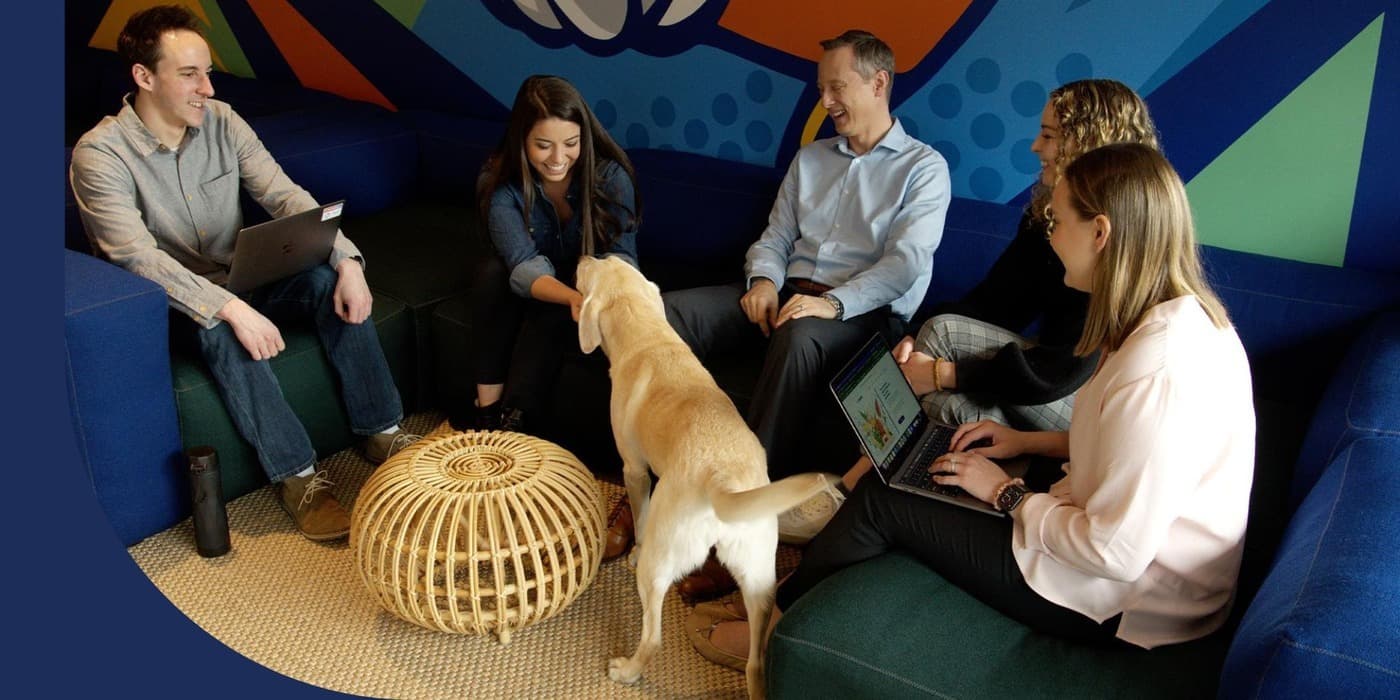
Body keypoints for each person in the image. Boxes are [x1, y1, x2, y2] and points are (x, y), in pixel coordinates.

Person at [688, 142, 1256, 668]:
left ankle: (770, 634)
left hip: (1127, 604)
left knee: (887, 498)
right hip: (1133, 567)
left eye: (1058, 222)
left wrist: (1005, 493)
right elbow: (1127, 451)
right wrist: (1026, 442)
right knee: (922, 465)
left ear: (1101, 232)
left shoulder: (1156, 369)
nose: (1051, 236)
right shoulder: (1178, 318)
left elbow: (1115, 554)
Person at [69, 5, 420, 542]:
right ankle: (298, 478)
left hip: (241, 277)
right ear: (143, 76)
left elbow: (284, 197)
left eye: (206, 72)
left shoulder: (224, 120)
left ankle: (382, 432)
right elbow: (136, 257)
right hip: (172, 301)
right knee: (221, 328)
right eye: (188, 74)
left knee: (328, 284)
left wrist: (346, 259)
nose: (206, 87)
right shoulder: (100, 154)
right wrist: (231, 308)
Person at [628, 30, 950, 588]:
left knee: (799, 338)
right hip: (785, 295)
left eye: (837, 88)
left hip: (859, 314)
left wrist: (832, 305)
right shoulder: (811, 158)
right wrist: (761, 281)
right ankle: (652, 483)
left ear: (879, 83)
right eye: (822, 89)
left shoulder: (924, 169)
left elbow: (903, 266)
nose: (825, 103)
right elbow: (775, 236)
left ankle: (735, 530)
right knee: (664, 316)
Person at [778, 79, 1163, 543]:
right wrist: (913, 338)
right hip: (1048, 380)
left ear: (1088, 142)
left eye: (1050, 134)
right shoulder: (1049, 216)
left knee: (943, 347)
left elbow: (1060, 371)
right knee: (951, 405)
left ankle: (848, 486)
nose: (1035, 145)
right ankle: (895, 500)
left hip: (1086, 399)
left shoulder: (1113, 241)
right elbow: (994, 302)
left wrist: (941, 371)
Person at [458, 74, 641, 437]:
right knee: (490, 274)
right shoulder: (497, 181)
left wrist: (587, 297)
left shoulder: (610, 176)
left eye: (571, 143)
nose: (559, 159)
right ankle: (487, 410)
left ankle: (514, 422)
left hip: (588, 282)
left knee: (551, 314)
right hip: (527, 280)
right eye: (543, 145)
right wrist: (571, 297)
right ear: (521, 140)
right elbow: (522, 264)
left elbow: (623, 260)